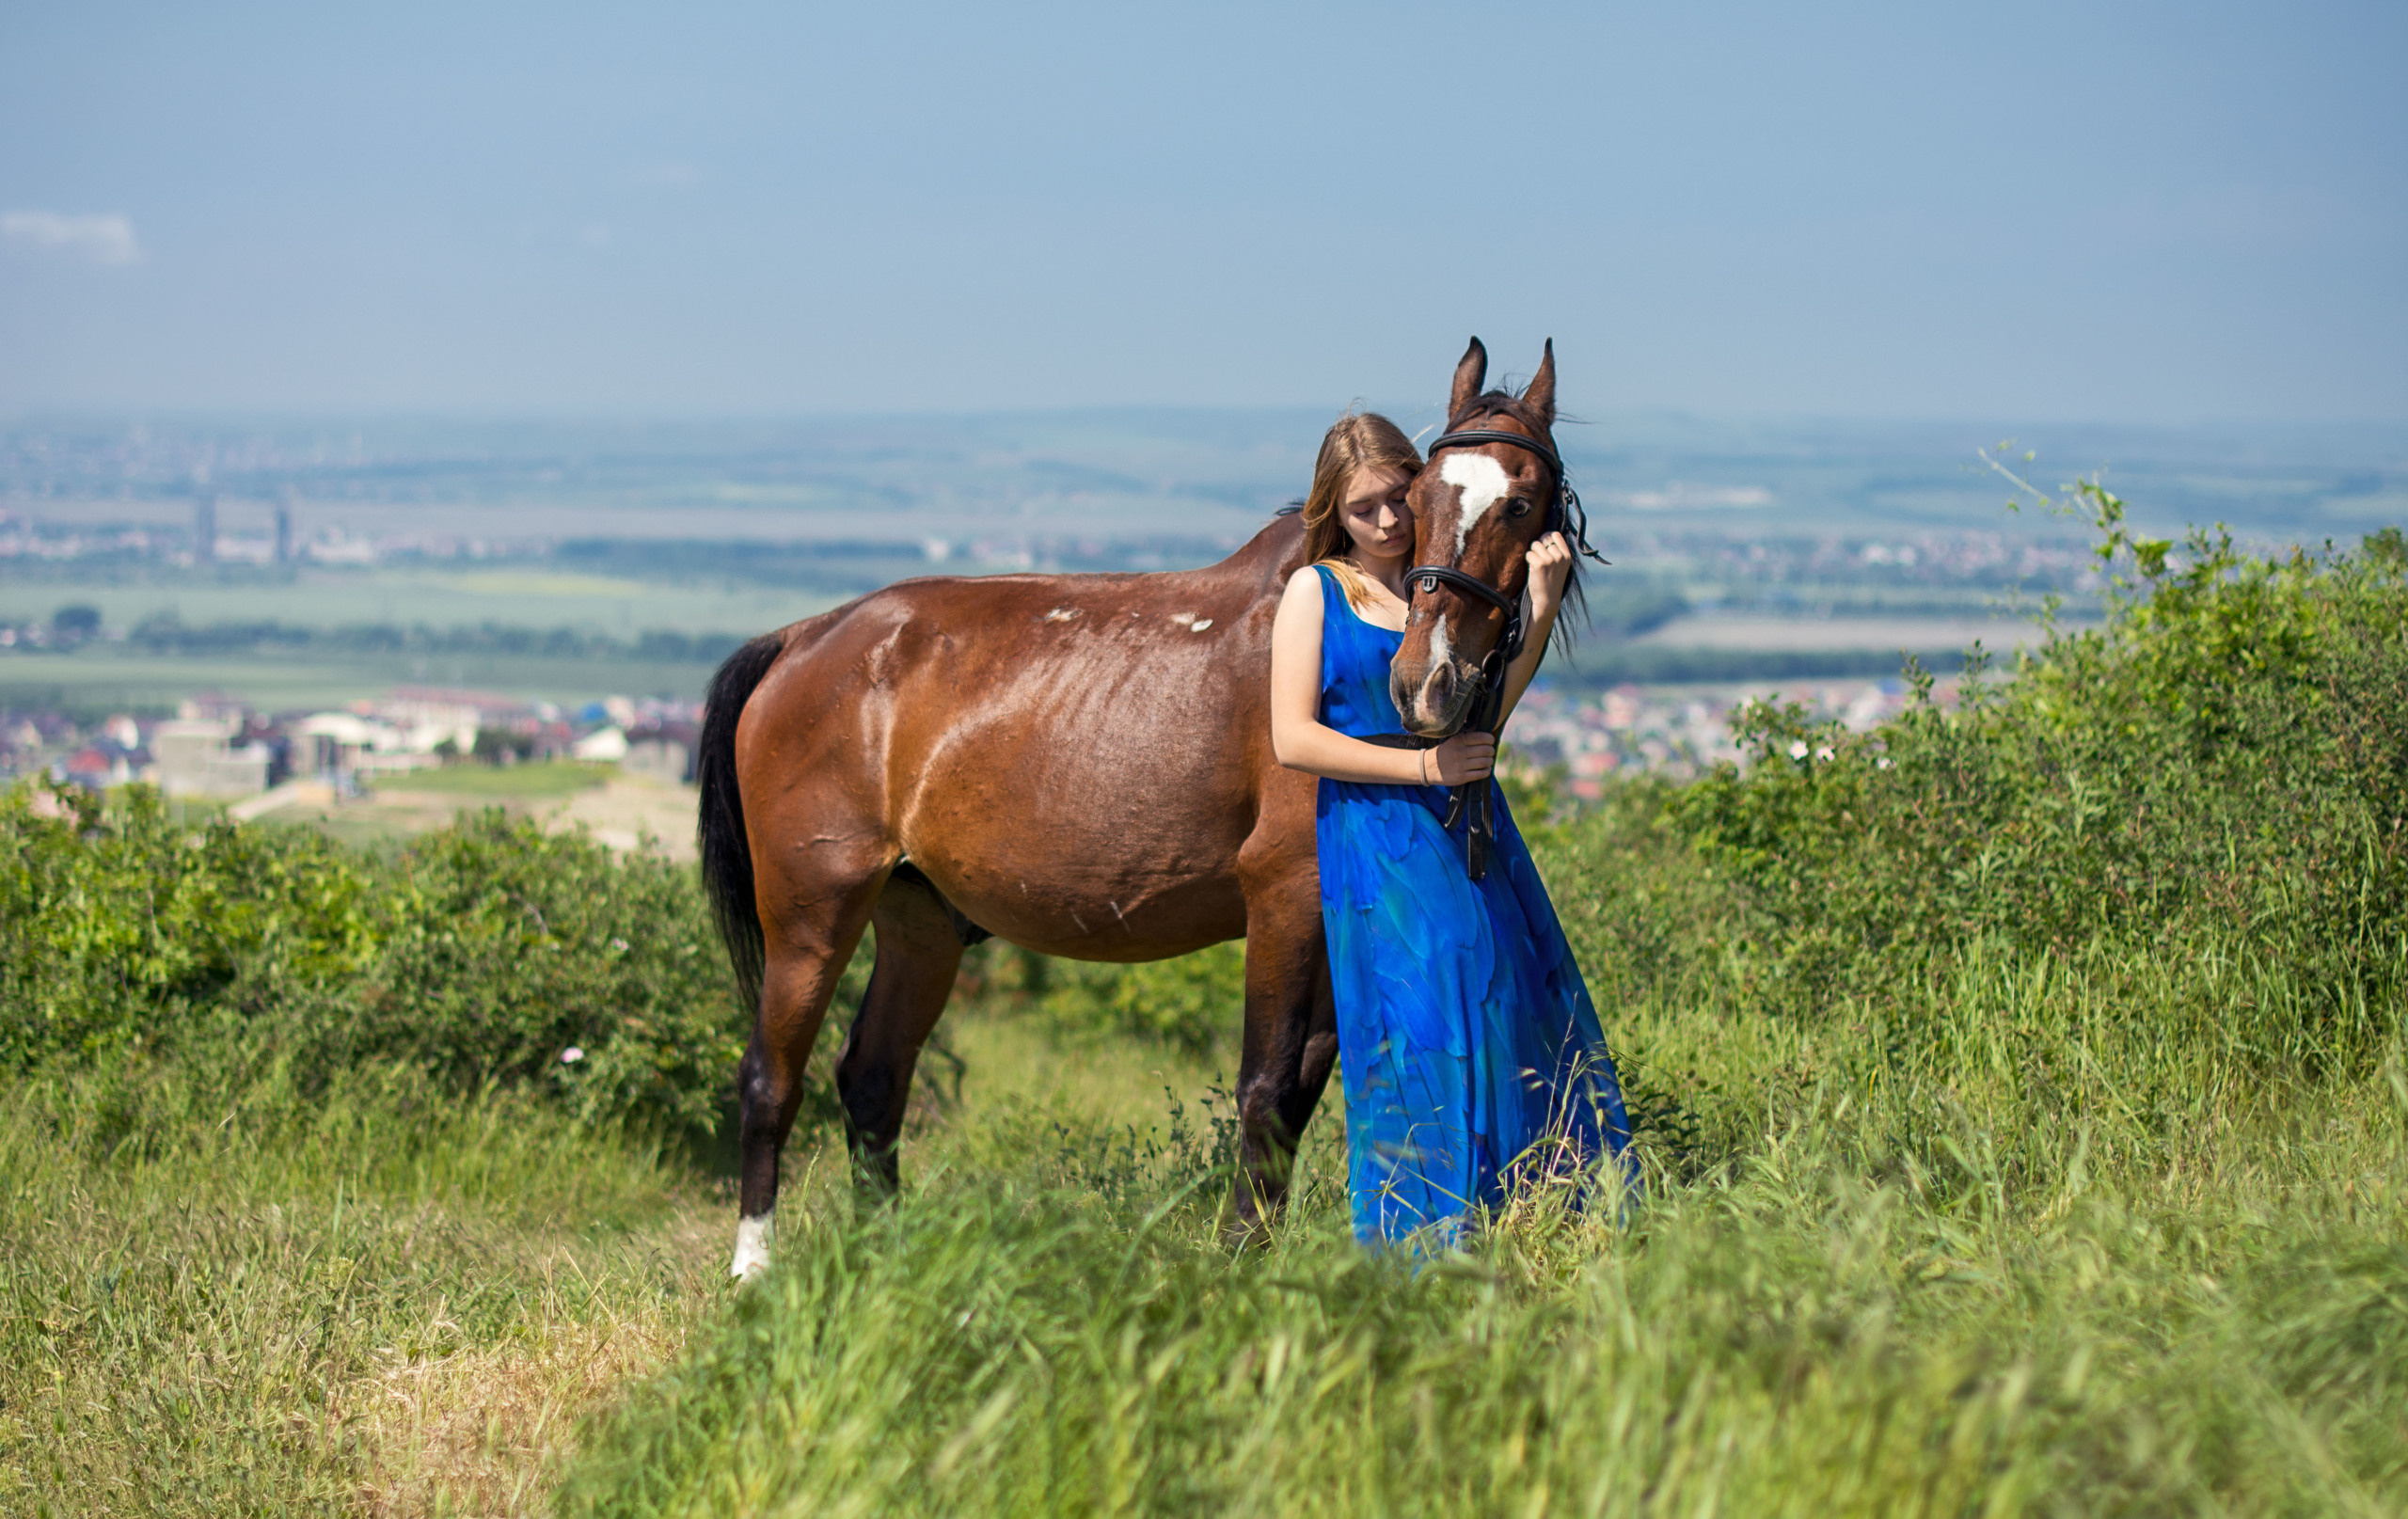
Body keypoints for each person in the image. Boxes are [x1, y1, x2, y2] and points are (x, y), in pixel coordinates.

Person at [1268, 411, 1633, 1247]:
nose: (1389, 522)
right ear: (1334, 511)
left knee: (1501, 1012)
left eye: (1400, 500)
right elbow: (1293, 739)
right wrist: (1423, 770)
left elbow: (1483, 720)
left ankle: (1528, 1219)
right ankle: (1419, 1245)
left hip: (1468, 830)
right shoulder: (1315, 590)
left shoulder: (1443, 588)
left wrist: (1538, 612)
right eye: (1365, 510)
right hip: (1378, 836)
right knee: (1415, 1033)